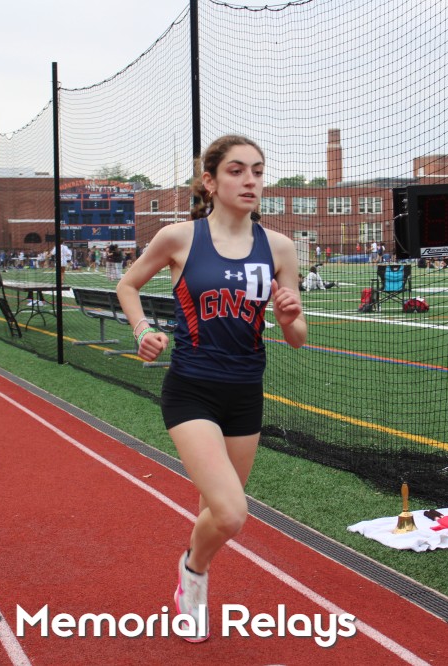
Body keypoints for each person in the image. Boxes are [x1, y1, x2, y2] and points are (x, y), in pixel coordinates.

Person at [116, 135, 306, 642]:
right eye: (236, 170)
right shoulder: (179, 237)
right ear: (210, 181)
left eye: (258, 171)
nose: (250, 181)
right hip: (191, 390)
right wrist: (141, 330)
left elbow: (297, 337)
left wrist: (290, 316)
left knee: (214, 510)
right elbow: (128, 285)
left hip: (245, 394)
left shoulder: (279, 247)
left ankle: (193, 574)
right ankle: (193, 574)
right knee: (231, 511)